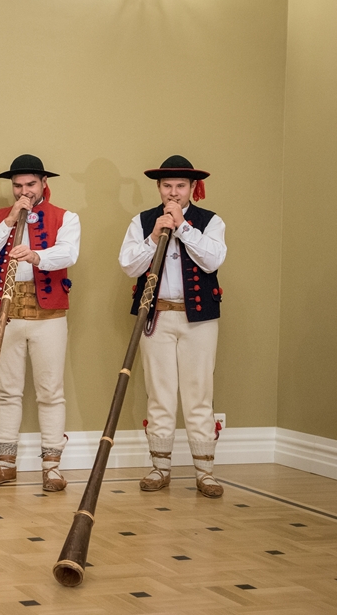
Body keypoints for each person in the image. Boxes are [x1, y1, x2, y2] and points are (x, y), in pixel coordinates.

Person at [118, 155, 227, 498]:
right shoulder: (142, 221)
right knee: (159, 393)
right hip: (157, 316)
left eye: (181, 186)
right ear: (158, 187)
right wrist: (154, 237)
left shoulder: (209, 221)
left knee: (199, 394)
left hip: (199, 319)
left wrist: (183, 227)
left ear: (193, 188)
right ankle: (159, 468)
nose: (174, 192)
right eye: (167, 186)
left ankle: (205, 472)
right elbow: (129, 265)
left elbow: (213, 260)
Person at [0, 154, 80, 491]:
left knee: (51, 391)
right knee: (6, 391)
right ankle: (5, 464)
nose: (24, 191)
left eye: (30, 184)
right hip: (6, 313)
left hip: (49, 315)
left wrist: (35, 256)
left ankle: (52, 467)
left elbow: (68, 253)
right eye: (18, 185)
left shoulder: (66, 217)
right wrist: (8, 222)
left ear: (44, 183)